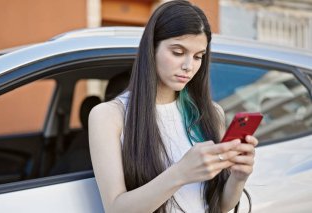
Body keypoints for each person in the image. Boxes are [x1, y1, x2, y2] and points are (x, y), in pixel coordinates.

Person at [89, 1, 258, 213]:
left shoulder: (211, 113)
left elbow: (219, 206)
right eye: (178, 52)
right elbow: (116, 209)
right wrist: (180, 173)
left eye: (198, 57)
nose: (189, 66)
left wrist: (238, 177)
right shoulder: (109, 116)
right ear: (152, 48)